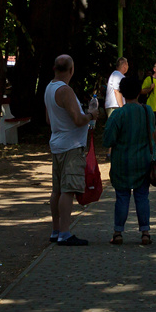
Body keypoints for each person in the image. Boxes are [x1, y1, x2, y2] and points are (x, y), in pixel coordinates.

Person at [44, 54, 101, 245]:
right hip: (71, 146)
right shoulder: (65, 90)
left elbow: (49, 119)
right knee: (68, 190)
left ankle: (55, 230)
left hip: (57, 143)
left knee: (57, 190)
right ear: (71, 70)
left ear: (54, 68)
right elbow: (78, 120)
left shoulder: (49, 88)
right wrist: (91, 114)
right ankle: (65, 233)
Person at [102, 74, 155, 245]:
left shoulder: (118, 114)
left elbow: (107, 140)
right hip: (143, 162)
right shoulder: (147, 112)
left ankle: (118, 233)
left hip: (122, 163)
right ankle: (145, 232)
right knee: (142, 197)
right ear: (140, 92)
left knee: (122, 198)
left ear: (123, 93)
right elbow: (151, 135)